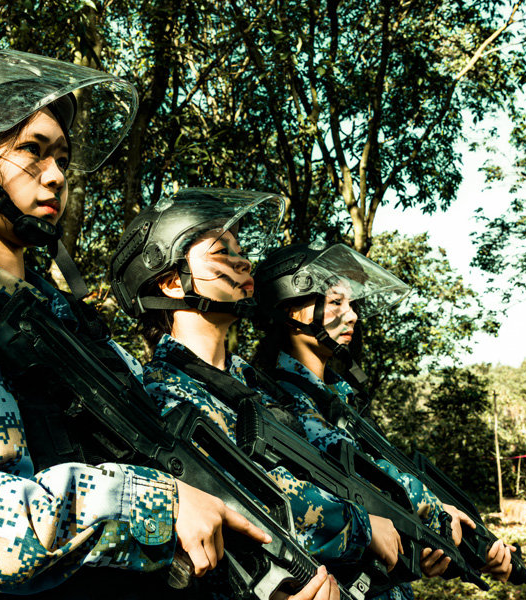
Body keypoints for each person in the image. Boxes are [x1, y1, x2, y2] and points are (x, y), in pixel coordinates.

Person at [0, 50, 288, 599]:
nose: (57, 175)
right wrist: (153, 503)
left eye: (62, 157)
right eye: (32, 151)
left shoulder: (71, 326)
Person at [108, 190, 412, 595]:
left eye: (240, 251)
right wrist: (360, 526)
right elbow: (248, 496)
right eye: (222, 252)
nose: (244, 261)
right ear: (172, 282)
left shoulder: (260, 387)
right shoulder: (163, 393)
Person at [252, 242, 515, 585]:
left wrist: (468, 547)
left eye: (352, 304)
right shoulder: (277, 399)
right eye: (336, 302)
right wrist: (441, 516)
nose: (352, 316)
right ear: (290, 309)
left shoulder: (340, 398)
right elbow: (357, 489)